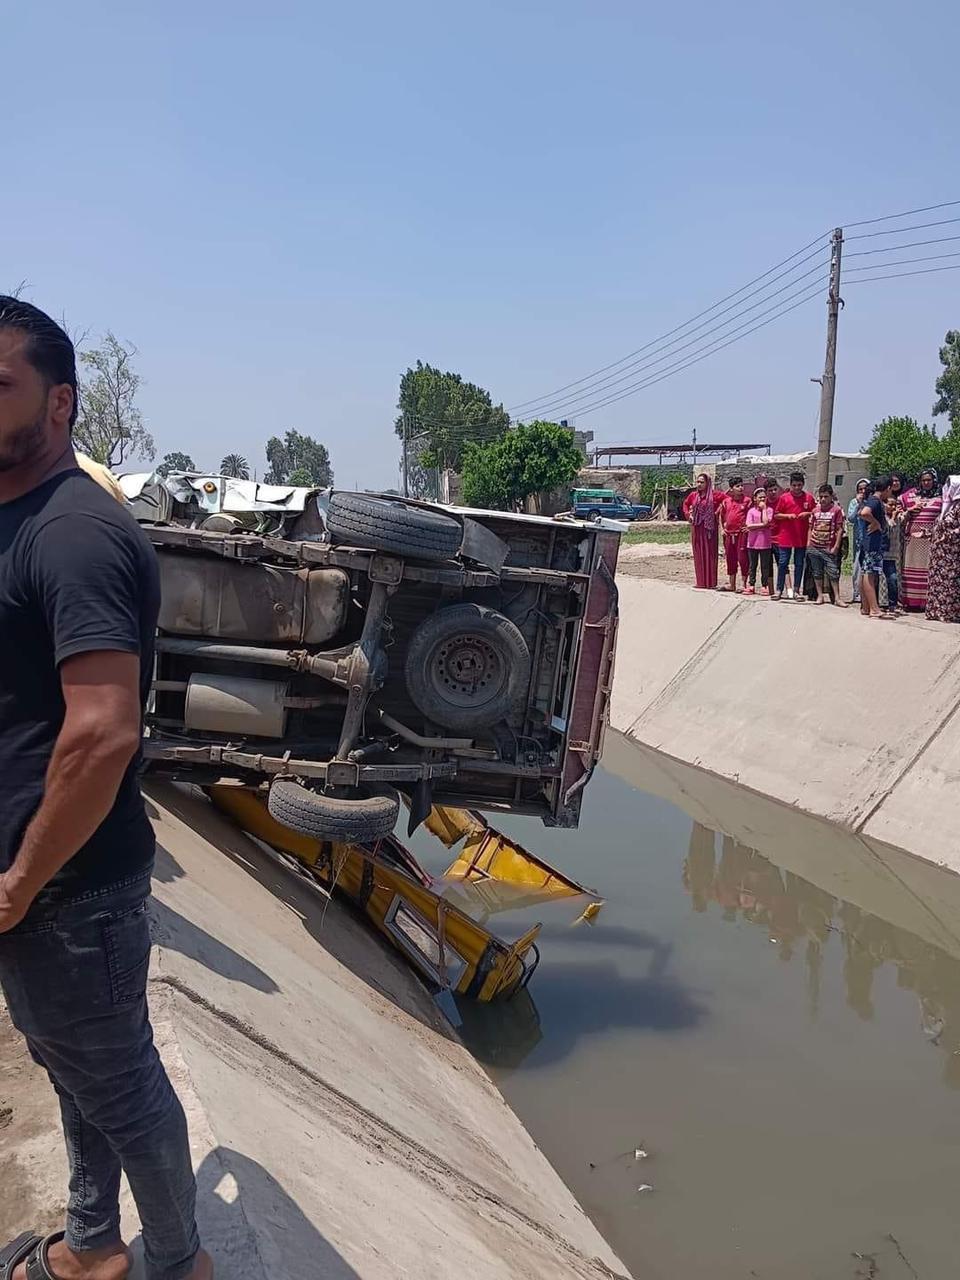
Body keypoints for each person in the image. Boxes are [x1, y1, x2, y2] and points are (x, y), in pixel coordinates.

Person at [0, 298, 211, 1280]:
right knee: (73, 1069)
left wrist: (18, 882)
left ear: (59, 403)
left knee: (120, 1085)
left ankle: (179, 1263)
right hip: (44, 884)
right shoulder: (23, 517)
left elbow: (101, 734)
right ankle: (93, 1243)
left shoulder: (73, 532)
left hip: (65, 890)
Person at [900, 467, 942, 610]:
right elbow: (899, 512)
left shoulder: (942, 497)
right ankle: (911, 602)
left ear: (934, 480)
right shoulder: (909, 496)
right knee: (911, 568)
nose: (926, 483)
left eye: (929, 480)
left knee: (929, 569)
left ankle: (927, 602)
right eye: (923, 480)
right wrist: (909, 511)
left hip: (932, 539)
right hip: (912, 541)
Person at [773, 470, 815, 601]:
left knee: (799, 563)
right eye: (794, 485)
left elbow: (815, 511)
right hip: (786, 536)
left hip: (801, 537)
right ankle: (779, 589)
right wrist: (787, 516)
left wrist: (807, 514)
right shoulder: (784, 498)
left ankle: (796, 590)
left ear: (803, 484)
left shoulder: (808, 498)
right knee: (783, 563)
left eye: (799, 485)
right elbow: (776, 515)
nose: (797, 488)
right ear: (790, 485)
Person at [858, 475, 895, 620]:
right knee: (870, 574)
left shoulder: (873, 500)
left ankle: (866, 606)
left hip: (870, 543)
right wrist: (876, 523)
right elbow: (864, 513)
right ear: (888, 488)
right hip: (872, 543)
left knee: (866, 573)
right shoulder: (875, 500)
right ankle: (874, 608)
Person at [926, 476, 960, 623]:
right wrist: (927, 533)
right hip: (939, 553)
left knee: (949, 583)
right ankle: (936, 611)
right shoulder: (948, 505)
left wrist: (946, 537)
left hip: (951, 553)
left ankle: (948, 613)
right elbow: (939, 524)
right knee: (937, 582)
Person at [806, 484, 846, 606]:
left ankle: (837, 598)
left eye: (826, 496)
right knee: (817, 572)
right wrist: (808, 543)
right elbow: (810, 527)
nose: (823, 499)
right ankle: (819, 596)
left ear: (831, 497)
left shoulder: (836, 510)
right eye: (821, 496)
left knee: (833, 572)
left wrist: (836, 547)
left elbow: (840, 529)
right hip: (814, 545)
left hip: (829, 547)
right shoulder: (815, 510)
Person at [682, 472, 722, 589]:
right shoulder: (693, 495)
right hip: (697, 528)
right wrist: (688, 515)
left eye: (702, 482)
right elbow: (685, 504)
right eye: (698, 482)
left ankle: (711, 582)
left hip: (710, 530)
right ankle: (700, 582)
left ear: (707, 483)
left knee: (710, 554)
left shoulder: (715, 495)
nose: (699, 484)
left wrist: (717, 512)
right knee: (698, 553)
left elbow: (726, 501)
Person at [719, 475, 749, 592]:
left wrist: (748, 528)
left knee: (743, 559)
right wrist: (722, 529)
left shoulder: (747, 501)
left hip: (741, 534)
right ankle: (732, 584)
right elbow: (721, 517)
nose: (741, 488)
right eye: (737, 486)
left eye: (742, 485)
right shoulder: (726, 502)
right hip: (728, 534)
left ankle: (743, 584)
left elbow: (751, 516)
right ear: (731, 489)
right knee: (730, 559)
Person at [744, 485, 773, 596]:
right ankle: (751, 585)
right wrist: (762, 525)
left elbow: (767, 522)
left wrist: (764, 509)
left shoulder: (769, 510)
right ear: (754, 499)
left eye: (764, 497)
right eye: (760, 497)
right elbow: (748, 525)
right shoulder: (751, 511)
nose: (762, 499)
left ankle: (764, 585)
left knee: (764, 566)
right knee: (752, 565)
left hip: (765, 543)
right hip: (752, 543)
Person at [846, 478, 869, 604]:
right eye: (860, 489)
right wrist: (858, 505)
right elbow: (851, 518)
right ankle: (857, 593)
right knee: (857, 566)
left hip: (870, 539)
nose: (863, 491)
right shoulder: (853, 502)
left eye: (865, 488)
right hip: (858, 540)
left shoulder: (872, 502)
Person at [881, 494, 902, 615]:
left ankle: (893, 604)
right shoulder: (883, 517)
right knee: (884, 579)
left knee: (893, 579)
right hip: (883, 553)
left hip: (894, 553)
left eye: (895, 504)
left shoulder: (899, 517)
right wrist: (893, 517)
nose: (893, 507)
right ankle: (883, 603)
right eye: (890, 505)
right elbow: (889, 529)